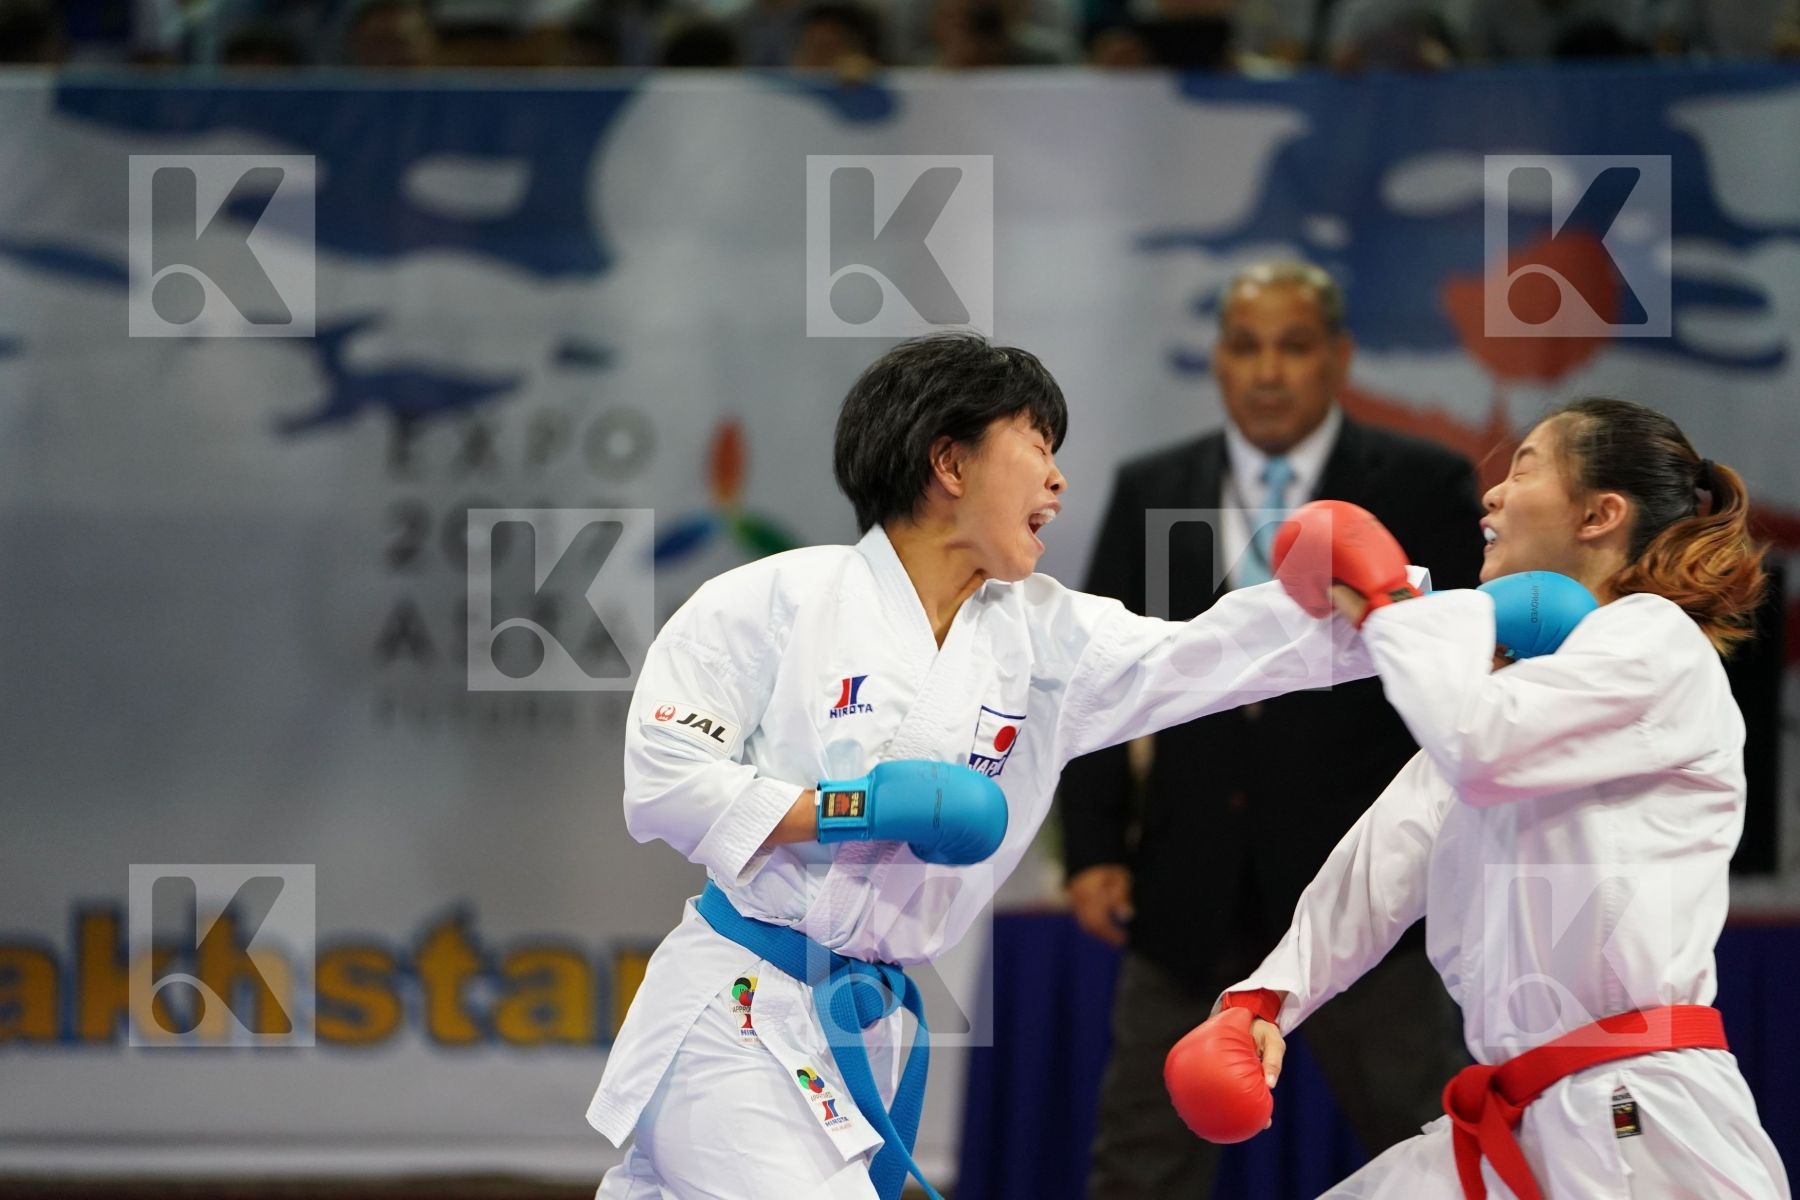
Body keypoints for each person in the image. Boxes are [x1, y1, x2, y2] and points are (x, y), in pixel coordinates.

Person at [587, 332, 1426, 1200]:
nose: (1058, 481)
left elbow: (1217, 651)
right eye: (1038, 446)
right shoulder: (772, 601)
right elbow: (664, 782)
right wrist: (857, 809)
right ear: (949, 461)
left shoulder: (1044, 636)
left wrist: (1425, 612)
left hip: (861, 1028)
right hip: (740, 1006)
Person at [1176, 397, 1790, 1198]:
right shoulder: (1514, 684)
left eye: (1525, 469)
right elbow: (1390, 851)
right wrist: (1267, 996)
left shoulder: (1655, 644)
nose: (1492, 495)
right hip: (1519, 1115)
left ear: (1601, 514)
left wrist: (1391, 605)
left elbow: (1478, 747)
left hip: (1639, 1120)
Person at [1061, 260, 1478, 1199]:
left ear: (1338, 359)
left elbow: (1462, 682)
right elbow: (1095, 672)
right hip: (1184, 892)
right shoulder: (1151, 485)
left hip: (1368, 905)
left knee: (1439, 1149)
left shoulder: (1424, 485)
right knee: (1139, 1168)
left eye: (1293, 346)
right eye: (1245, 346)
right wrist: (1091, 847)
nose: (1268, 371)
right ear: (1217, 362)